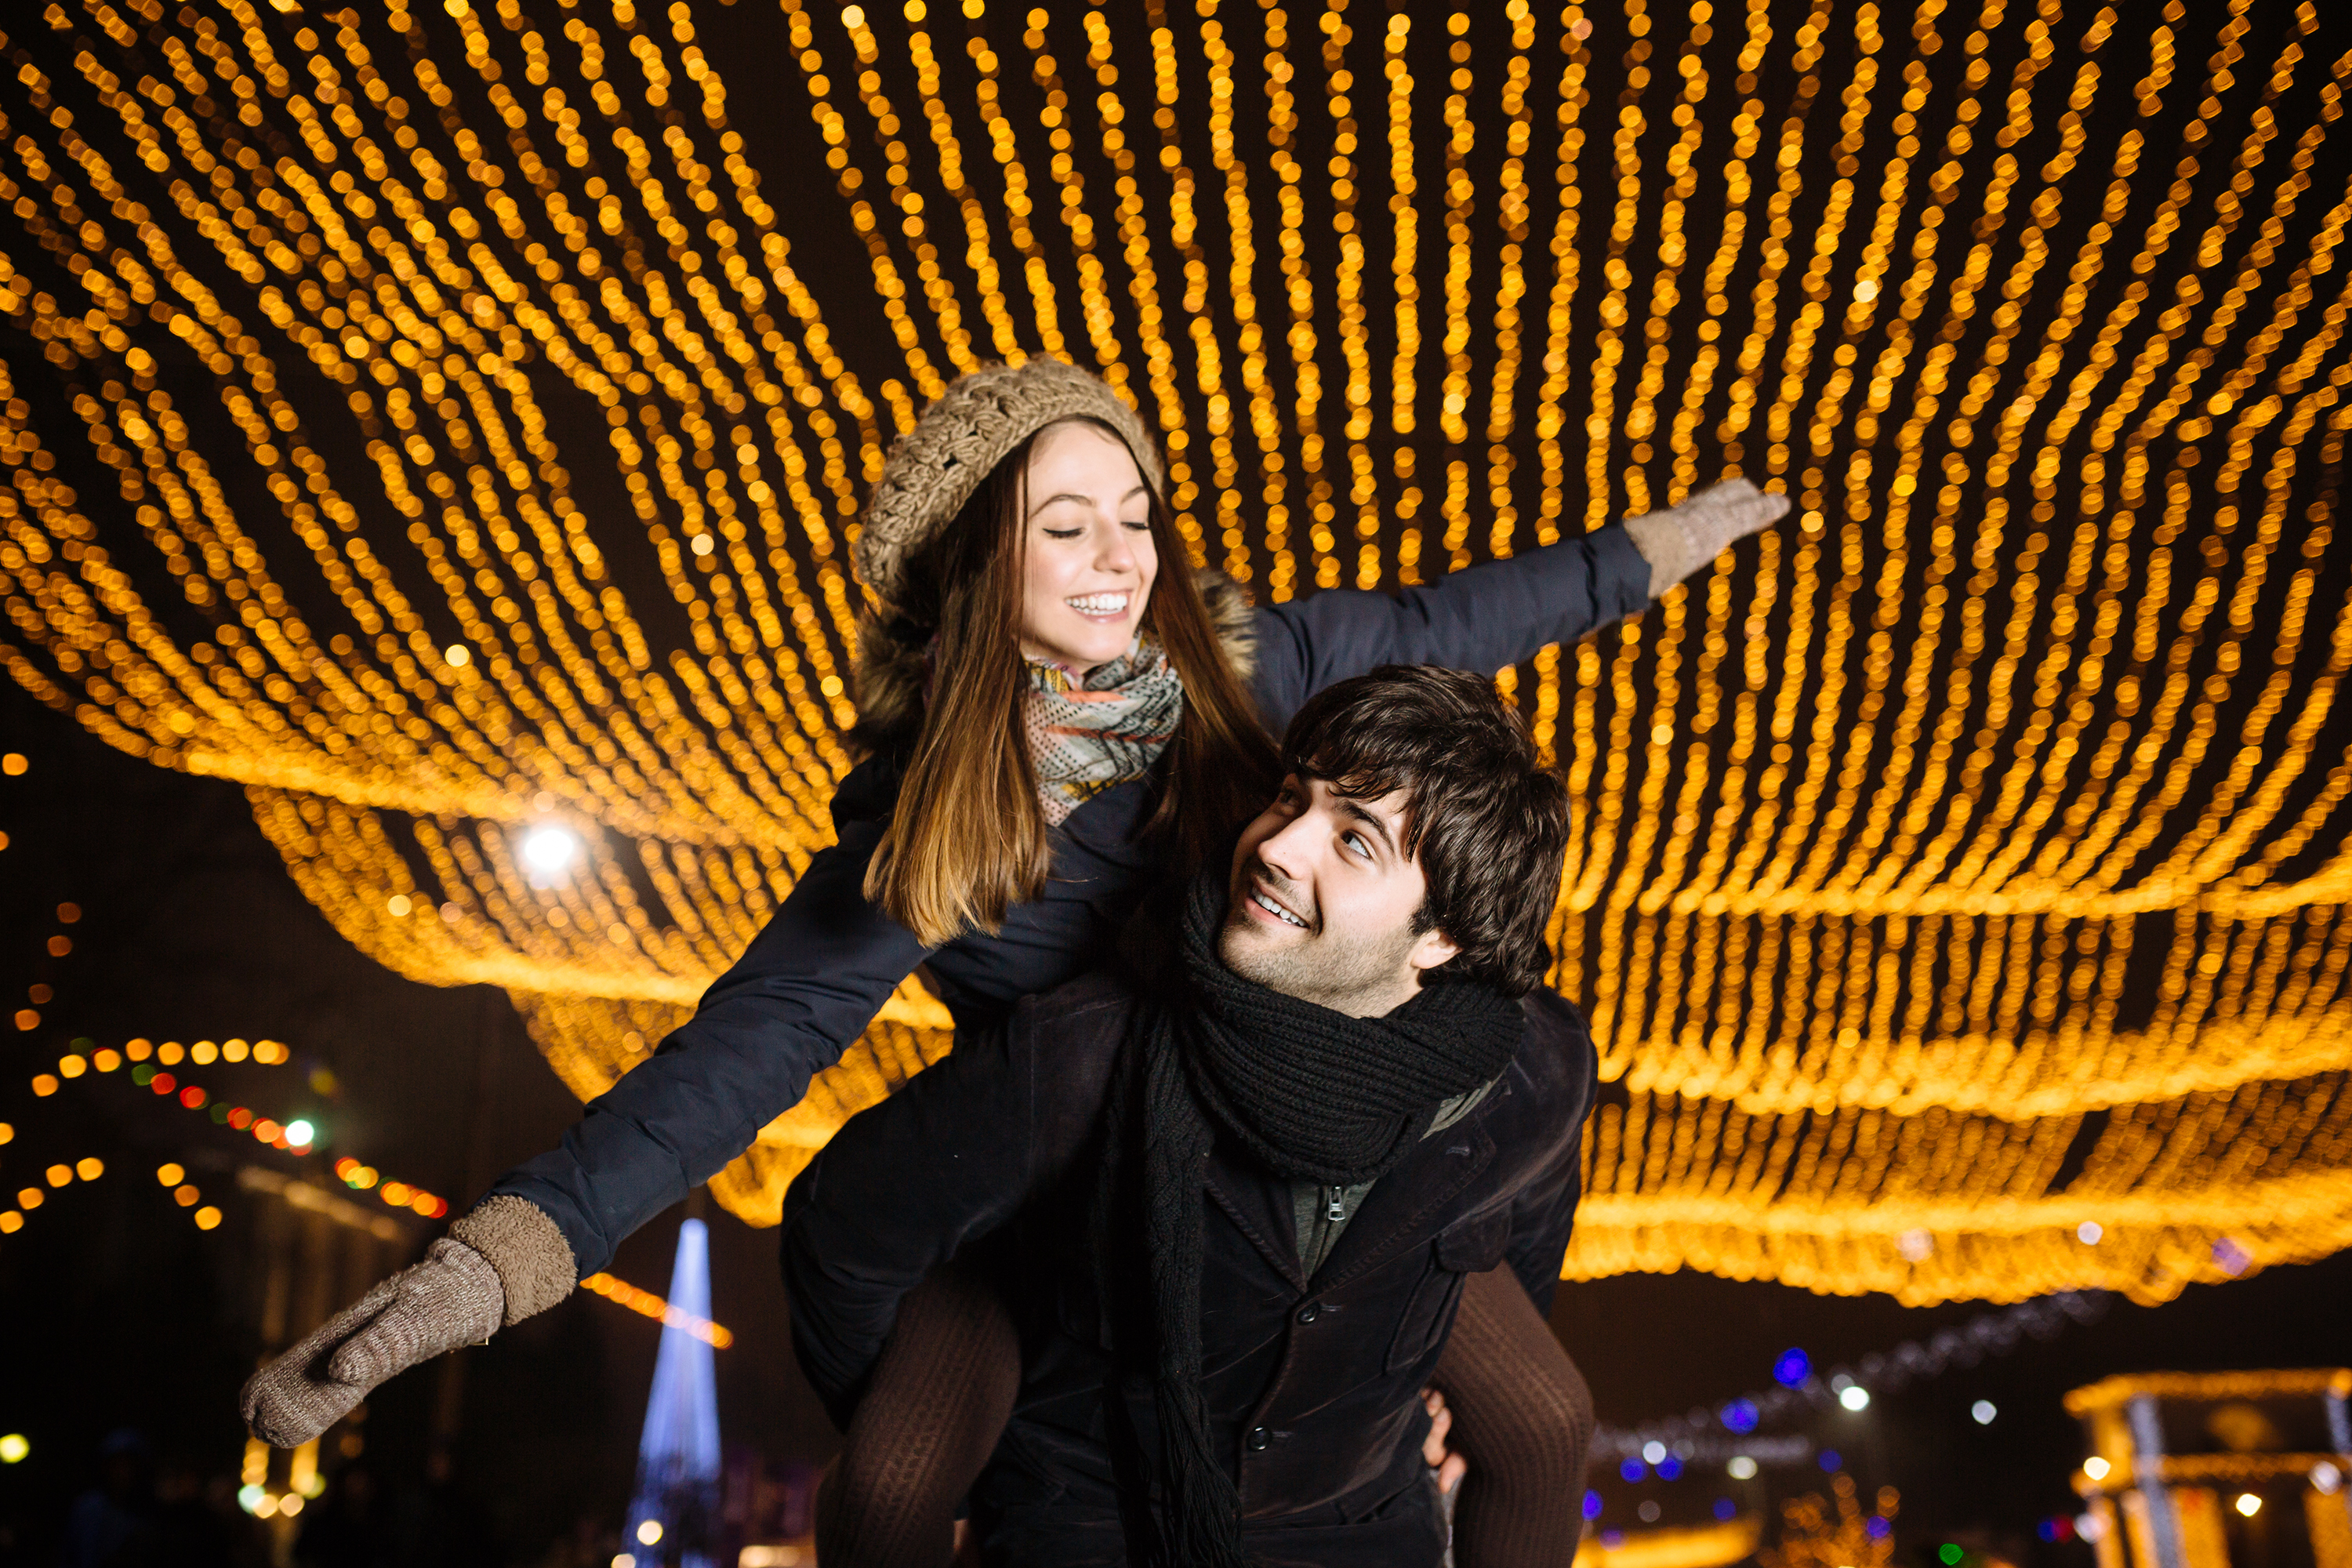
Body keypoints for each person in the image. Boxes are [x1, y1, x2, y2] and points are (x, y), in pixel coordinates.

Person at [241, 358, 1783, 1547]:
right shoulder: (941, 827)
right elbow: (732, 1064)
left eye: (1135, 514)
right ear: (984, 565)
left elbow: (1465, 615)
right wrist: (471, 1275)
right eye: (1066, 525)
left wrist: (1657, 547)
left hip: (1300, 1133)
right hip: (1058, 1179)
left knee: (1538, 1409)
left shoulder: (1253, 661)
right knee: (897, 1485)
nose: (1119, 558)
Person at [783, 666, 1596, 1566]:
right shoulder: (1082, 1054)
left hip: (1353, 1510)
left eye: (1355, 841)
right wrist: (949, 1441)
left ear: (1444, 940)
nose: (1282, 844)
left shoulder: (1536, 1071)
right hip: (1096, 1507)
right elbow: (843, 1232)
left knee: (1549, 1418)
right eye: (1295, 796)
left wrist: (1427, 1380)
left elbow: (1522, 1236)